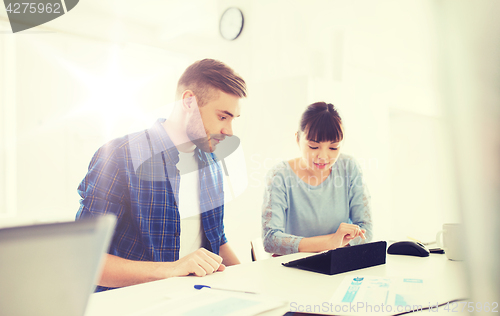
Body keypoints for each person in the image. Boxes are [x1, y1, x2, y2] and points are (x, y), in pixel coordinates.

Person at [76, 59, 246, 291]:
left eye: (232, 119)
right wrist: (172, 269)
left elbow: (216, 240)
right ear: (189, 102)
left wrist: (250, 283)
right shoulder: (119, 155)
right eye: (222, 117)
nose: (229, 131)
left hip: (196, 300)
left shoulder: (212, 163)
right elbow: (85, 260)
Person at [262, 102, 373, 255]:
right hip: (295, 267)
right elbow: (271, 240)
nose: (323, 156)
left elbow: (366, 230)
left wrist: (334, 245)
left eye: (333, 148)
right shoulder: (279, 175)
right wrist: (332, 242)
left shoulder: (349, 167)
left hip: (338, 264)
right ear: (297, 139)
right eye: (314, 147)